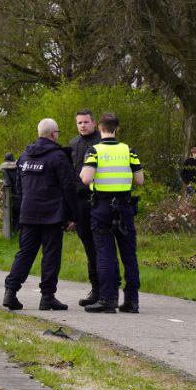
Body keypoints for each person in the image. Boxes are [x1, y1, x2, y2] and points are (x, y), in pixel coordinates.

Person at [2, 119, 77, 311]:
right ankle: (47, 297)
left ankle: (10, 292)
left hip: (28, 212)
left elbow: (19, 186)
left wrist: (24, 206)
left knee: (25, 253)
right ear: (53, 134)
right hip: (52, 214)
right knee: (51, 255)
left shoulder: (25, 156)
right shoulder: (58, 156)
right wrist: (72, 215)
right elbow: (68, 187)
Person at [80, 112, 144, 313]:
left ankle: (108, 300)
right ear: (117, 129)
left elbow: (86, 178)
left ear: (100, 128)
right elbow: (140, 180)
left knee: (105, 253)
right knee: (129, 254)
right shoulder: (129, 151)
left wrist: (85, 172)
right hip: (124, 206)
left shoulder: (94, 151)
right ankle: (132, 301)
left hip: (102, 207)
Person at [68, 109, 102, 305]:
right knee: (89, 247)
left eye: (86, 122)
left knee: (102, 246)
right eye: (79, 122)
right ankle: (95, 288)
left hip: (100, 200)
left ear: (94, 123)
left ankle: (106, 289)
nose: (82, 125)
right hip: (80, 202)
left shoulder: (102, 143)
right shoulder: (73, 144)